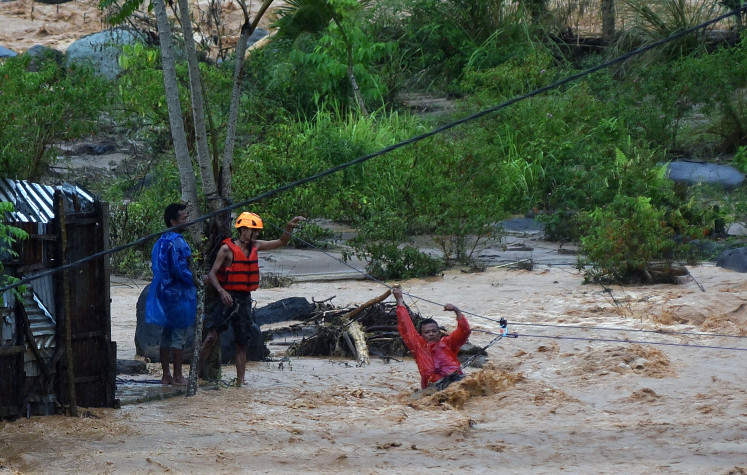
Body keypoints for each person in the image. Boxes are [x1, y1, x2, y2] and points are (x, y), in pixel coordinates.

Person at [200, 212, 305, 385]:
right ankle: (196, 375)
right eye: (252, 230)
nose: (255, 234)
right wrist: (221, 292)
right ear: (243, 229)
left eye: (257, 231)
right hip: (227, 298)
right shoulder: (227, 249)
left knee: (242, 343)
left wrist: (288, 228)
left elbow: (281, 242)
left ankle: (240, 383)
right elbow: (212, 274)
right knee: (211, 337)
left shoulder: (257, 246)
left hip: (244, 299)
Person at [145, 203, 197, 385]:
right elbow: (180, 269)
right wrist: (197, 279)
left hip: (163, 294)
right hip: (179, 295)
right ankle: (178, 376)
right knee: (178, 336)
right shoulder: (178, 242)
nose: (187, 221)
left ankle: (165, 374)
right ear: (173, 221)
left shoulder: (160, 241)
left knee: (166, 334)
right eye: (184, 218)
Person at [393, 287, 471, 390]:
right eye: (427, 332)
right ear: (421, 334)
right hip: (433, 387)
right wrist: (399, 299)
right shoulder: (418, 346)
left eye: (434, 331)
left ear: (439, 333)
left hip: (455, 382)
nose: (431, 334)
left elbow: (465, 331)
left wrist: (457, 311)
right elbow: (406, 325)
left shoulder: (448, 343)